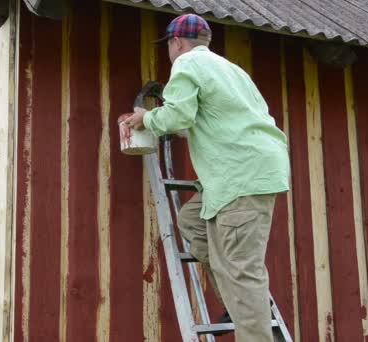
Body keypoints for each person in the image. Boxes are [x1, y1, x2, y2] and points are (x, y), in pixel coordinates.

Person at [121, 14, 290, 342]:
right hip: (241, 173)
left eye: (169, 45)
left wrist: (147, 118)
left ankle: (251, 322)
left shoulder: (186, 65)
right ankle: (241, 304)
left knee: (242, 270)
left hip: (240, 176)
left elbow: (177, 114)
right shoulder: (232, 71)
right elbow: (211, 120)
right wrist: (179, 127)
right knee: (192, 223)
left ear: (176, 42)